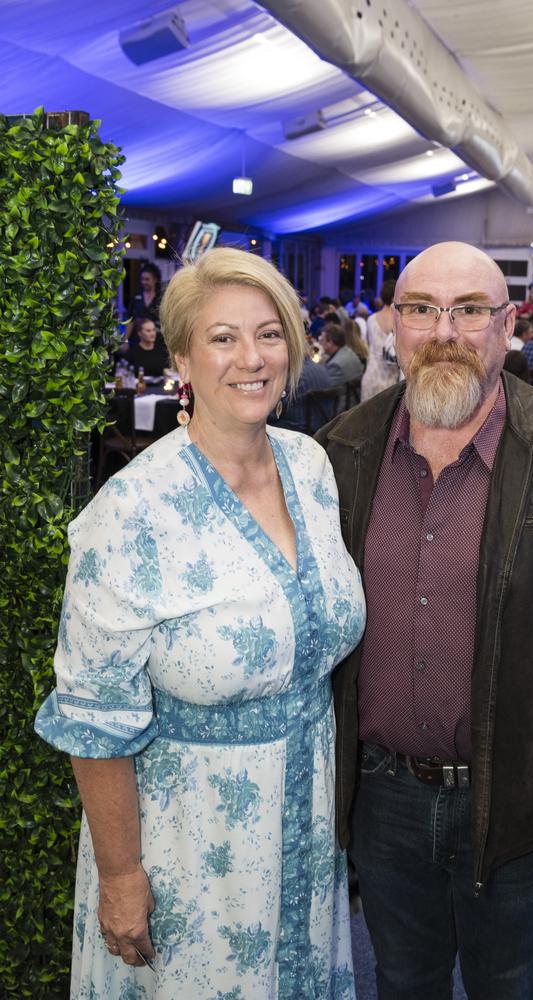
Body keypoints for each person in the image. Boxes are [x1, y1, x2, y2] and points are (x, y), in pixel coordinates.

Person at [316, 241, 533, 1000]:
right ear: (394, 328)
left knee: (507, 982)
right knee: (403, 980)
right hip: (382, 798)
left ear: (505, 327)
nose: (444, 331)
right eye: (422, 310)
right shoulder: (341, 454)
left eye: (469, 311)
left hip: (519, 800)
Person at [35, 247, 366, 998]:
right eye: (223, 338)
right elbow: (94, 720)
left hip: (307, 838)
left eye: (269, 333)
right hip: (189, 850)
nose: (251, 358)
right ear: (181, 353)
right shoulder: (130, 512)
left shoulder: (311, 468)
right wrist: (122, 878)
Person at [360, 280, 400, 401]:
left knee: (368, 418)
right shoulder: (399, 319)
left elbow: (367, 345)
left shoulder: (371, 319)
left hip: (371, 375)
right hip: (391, 379)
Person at [320, 324, 364, 412]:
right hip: (355, 404)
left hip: (341, 410)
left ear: (330, 342)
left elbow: (321, 388)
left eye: (322, 340)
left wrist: (320, 363)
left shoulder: (336, 365)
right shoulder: (349, 351)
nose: (320, 342)